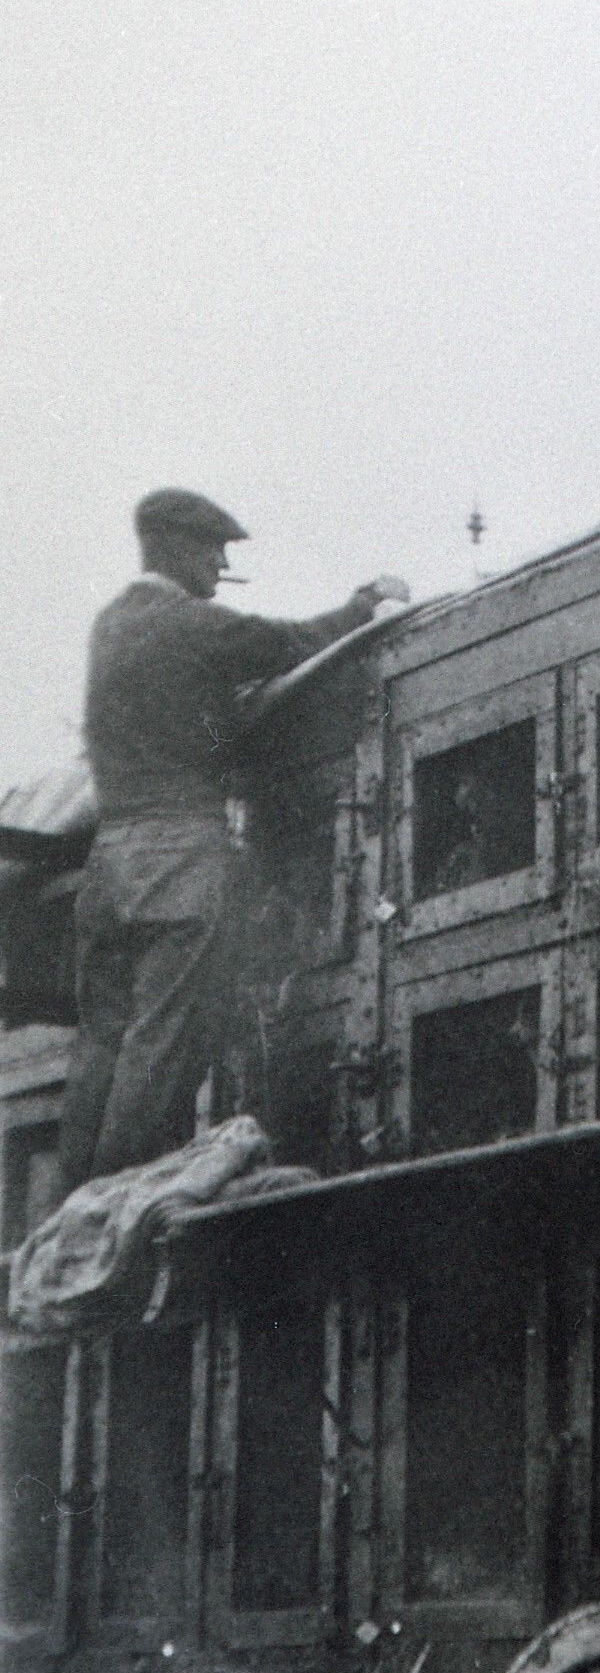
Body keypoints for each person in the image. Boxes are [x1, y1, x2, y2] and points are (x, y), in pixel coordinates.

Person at [57, 488, 396, 1189]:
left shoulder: (110, 627)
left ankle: (72, 1208)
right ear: (176, 546)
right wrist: (367, 603)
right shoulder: (190, 626)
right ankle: (118, 1206)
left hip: (109, 866)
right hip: (177, 858)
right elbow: (289, 643)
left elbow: (176, 719)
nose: (220, 564)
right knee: (162, 1039)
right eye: (214, 549)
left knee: (100, 1048)